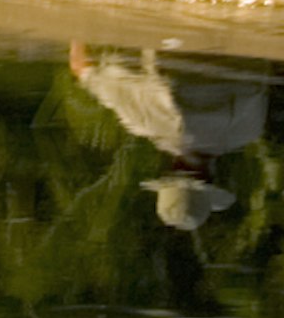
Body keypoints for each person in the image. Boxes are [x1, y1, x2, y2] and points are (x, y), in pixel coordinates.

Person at [67, 40, 272, 229]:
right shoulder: (143, 124)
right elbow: (82, 69)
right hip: (167, 43)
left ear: (211, 178)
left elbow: (263, 72)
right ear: (168, 170)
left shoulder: (249, 131)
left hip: (236, 42)